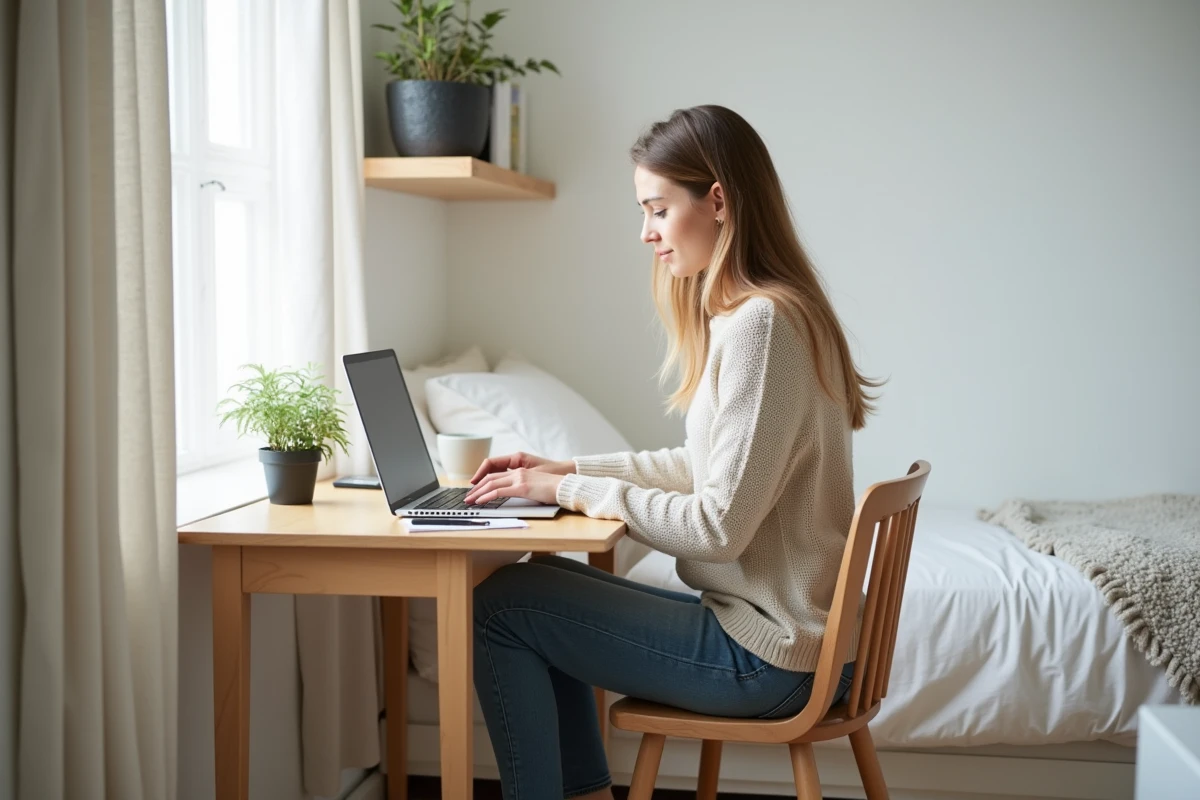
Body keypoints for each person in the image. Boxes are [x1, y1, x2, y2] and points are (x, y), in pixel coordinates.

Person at [462, 104, 881, 800]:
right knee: (534, 588)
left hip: (770, 657)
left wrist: (565, 493)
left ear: (717, 200)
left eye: (657, 209)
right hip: (792, 642)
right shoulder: (768, 312)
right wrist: (565, 471)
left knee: (505, 606)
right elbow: (702, 469)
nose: (646, 233)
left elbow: (718, 528)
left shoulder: (762, 325)